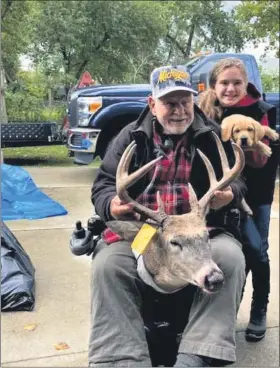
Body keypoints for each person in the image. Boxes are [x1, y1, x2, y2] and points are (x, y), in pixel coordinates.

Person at [89, 65, 246, 367]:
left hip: (199, 230)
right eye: (169, 103)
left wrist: (231, 193)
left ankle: (199, 354)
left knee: (230, 258)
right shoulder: (130, 137)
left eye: (185, 102)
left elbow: (238, 180)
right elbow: (104, 186)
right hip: (145, 230)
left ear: (195, 101)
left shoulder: (211, 135)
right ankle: (122, 358)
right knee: (108, 266)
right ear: (152, 104)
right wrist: (112, 205)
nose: (179, 111)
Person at [198, 57, 279, 342]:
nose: (231, 89)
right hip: (216, 196)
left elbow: (267, 158)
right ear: (214, 85)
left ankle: (259, 310)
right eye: (224, 83)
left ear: (247, 84)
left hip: (255, 196)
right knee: (226, 255)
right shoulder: (204, 111)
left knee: (257, 251)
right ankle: (227, 312)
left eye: (237, 83)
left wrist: (255, 149)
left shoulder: (261, 111)